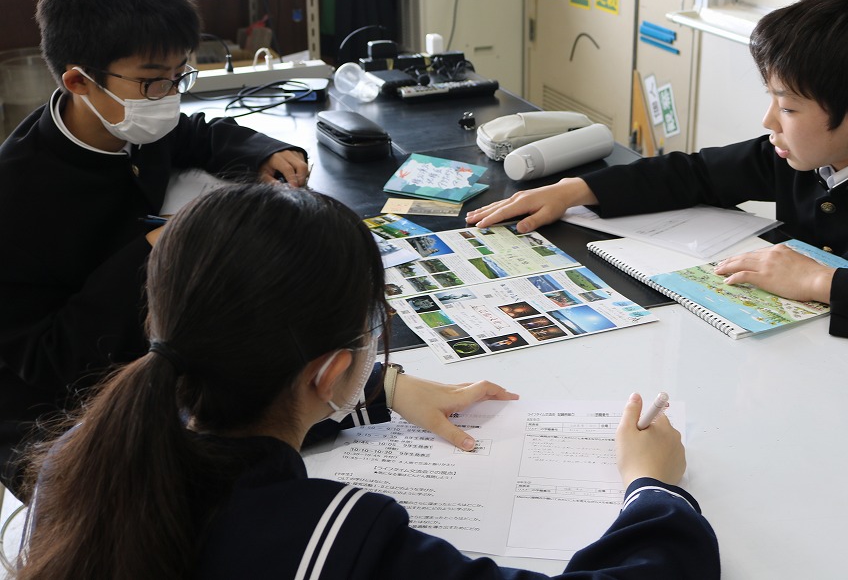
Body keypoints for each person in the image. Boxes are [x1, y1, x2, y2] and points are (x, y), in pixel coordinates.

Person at [14, 184, 720, 580]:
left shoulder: (82, 458)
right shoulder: (331, 540)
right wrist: (654, 489)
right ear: (327, 373)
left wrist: (381, 390)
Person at [468, 0, 848, 353]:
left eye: (789, 107)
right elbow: (696, 174)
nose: (769, 121)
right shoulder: (800, 153)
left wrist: (821, 281)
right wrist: (576, 189)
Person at [0, 0, 309, 496]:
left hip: (152, 360)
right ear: (78, 80)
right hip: (58, 420)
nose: (168, 96)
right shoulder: (16, 195)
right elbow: (45, 360)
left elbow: (194, 133)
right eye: (151, 81)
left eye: (178, 75)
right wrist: (151, 249)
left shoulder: (131, 121)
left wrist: (264, 152)